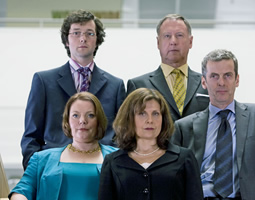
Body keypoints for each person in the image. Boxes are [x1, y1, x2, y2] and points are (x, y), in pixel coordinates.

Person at [171, 49, 255, 199]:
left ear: (237, 80)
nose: (221, 82)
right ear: (204, 82)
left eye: (228, 75)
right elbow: (172, 180)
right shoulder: (183, 127)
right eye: (214, 76)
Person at [21, 10, 125, 169]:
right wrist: (36, 171)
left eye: (90, 33)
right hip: (54, 168)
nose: (83, 38)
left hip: (102, 170)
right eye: (76, 33)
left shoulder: (116, 85)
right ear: (66, 40)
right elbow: (31, 136)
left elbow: (122, 136)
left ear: (97, 40)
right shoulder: (43, 81)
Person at [9, 92, 118, 200]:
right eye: (75, 115)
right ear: (67, 121)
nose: (82, 121)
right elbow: (21, 191)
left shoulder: (119, 158)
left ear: (99, 120)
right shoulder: (41, 159)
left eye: (90, 115)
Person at [98, 88, 203, 200]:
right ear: (129, 118)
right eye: (142, 113)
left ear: (163, 118)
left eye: (155, 114)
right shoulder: (112, 162)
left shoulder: (184, 158)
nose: (150, 120)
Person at [126, 14, 209, 122]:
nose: (173, 41)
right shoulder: (138, 85)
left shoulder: (208, 83)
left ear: (190, 41)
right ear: (158, 42)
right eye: (167, 36)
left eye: (179, 35)